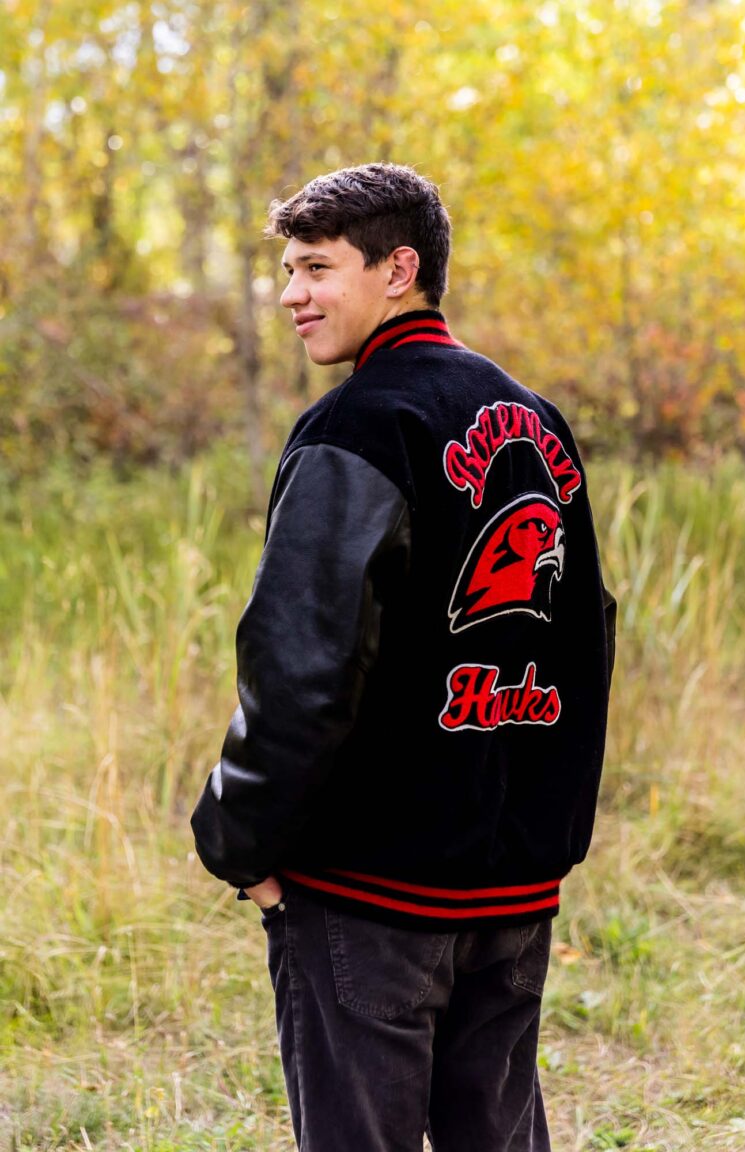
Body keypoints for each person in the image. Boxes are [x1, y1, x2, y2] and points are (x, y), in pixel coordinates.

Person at [191, 162, 616, 1152]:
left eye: (317, 268)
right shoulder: (536, 423)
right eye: (288, 271)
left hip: (372, 893)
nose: (292, 295)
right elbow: (587, 641)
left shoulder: (358, 427)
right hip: (510, 891)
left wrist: (238, 841)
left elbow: (302, 667)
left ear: (399, 270)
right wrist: (547, 837)